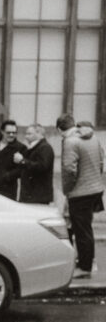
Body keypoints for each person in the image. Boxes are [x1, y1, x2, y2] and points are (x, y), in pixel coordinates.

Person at [57, 113, 104, 279]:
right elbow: (101, 161)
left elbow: (69, 169)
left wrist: (67, 190)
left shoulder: (70, 141)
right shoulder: (92, 138)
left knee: (81, 230)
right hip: (94, 189)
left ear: (60, 130)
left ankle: (85, 267)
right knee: (86, 229)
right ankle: (86, 262)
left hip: (80, 192)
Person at [17, 123, 55, 204]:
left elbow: (43, 166)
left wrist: (22, 161)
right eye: (26, 134)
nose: (26, 136)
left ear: (39, 134)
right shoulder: (33, 148)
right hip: (32, 194)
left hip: (38, 195)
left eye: (29, 134)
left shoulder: (45, 148)